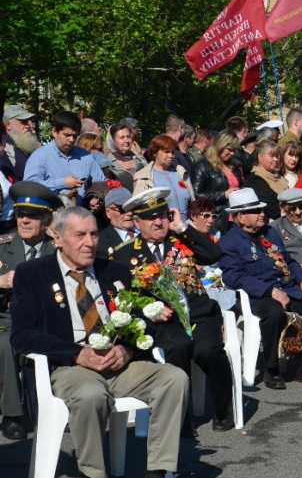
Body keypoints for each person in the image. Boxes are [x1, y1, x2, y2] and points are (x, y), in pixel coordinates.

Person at [11, 206, 188, 478]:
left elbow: (145, 320)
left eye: (94, 234)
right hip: (69, 366)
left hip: (118, 363)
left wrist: (127, 349)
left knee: (174, 378)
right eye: (79, 234)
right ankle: (92, 473)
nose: (90, 242)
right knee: (91, 394)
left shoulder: (114, 270)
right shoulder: (33, 273)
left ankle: (158, 470)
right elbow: (22, 335)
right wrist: (76, 354)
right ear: (57, 238)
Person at [111, 188, 231, 435]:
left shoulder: (183, 238)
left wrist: (182, 227)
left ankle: (223, 407)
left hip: (198, 314)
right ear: (136, 222)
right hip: (164, 322)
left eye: (163, 215)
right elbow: (120, 296)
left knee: (208, 350)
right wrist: (147, 309)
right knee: (177, 348)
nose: (158, 222)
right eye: (149, 218)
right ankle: (181, 415)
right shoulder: (124, 253)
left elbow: (214, 254)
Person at [219, 189, 302, 388]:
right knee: (274, 313)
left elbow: (289, 261)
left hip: (287, 287)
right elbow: (233, 276)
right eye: (255, 211)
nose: (262, 214)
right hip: (257, 295)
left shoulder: (270, 232)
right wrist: (268, 290)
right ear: (240, 217)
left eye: (261, 209)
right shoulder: (229, 242)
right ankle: (272, 369)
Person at [0, 182, 62, 440]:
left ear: (47, 220)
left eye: (32, 216)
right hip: (7, 316)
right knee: (6, 344)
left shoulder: (58, 248)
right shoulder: (3, 245)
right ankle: (14, 414)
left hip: (47, 318)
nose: (24, 220)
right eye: (20, 214)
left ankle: (53, 408)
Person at [24, 111, 105, 207]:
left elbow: (99, 182)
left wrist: (94, 198)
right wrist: (63, 183)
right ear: (54, 131)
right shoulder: (40, 156)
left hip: (81, 215)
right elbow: (30, 187)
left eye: (75, 136)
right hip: (51, 216)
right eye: (67, 135)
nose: (71, 140)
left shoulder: (85, 156)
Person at [191, 130, 243, 235]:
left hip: (237, 218)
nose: (232, 153)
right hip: (217, 220)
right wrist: (224, 195)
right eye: (229, 149)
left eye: (234, 150)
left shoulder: (235, 166)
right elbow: (196, 195)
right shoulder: (202, 166)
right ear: (220, 145)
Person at [133, 135, 195, 221]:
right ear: (155, 153)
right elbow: (139, 209)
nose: (171, 156)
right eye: (166, 152)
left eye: (172, 152)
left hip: (187, 227)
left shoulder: (181, 172)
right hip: (161, 228)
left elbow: (193, 201)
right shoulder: (143, 177)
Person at [243, 139, 288, 221]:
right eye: (272, 156)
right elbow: (270, 207)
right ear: (260, 157)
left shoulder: (279, 175)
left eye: (277, 156)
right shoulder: (256, 179)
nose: (276, 159)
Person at [0, 105, 39, 183]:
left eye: (27, 122)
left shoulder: (23, 146)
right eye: (23, 122)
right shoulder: (3, 148)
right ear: (8, 125)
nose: (27, 126)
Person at [96, 187, 137, 259]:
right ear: (108, 213)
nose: (130, 213)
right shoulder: (100, 242)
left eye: (132, 208)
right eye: (122, 209)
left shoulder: (147, 230)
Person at [106, 121, 147, 192]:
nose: (126, 140)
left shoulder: (140, 161)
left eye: (128, 137)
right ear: (113, 141)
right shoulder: (108, 165)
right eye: (122, 137)